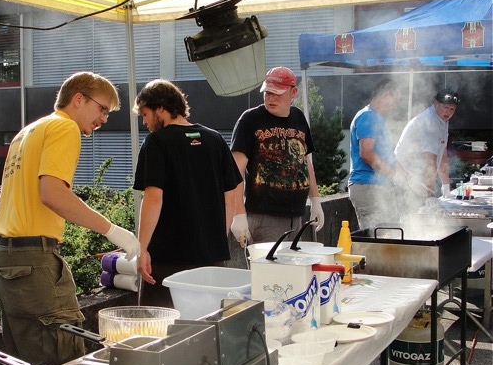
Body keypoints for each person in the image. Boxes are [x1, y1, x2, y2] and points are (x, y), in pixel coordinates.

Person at [0, 71, 140, 365]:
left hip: (4, 256)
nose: (104, 119)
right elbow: (53, 194)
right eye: (102, 109)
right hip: (32, 258)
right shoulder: (64, 126)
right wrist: (113, 230)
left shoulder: (29, 131)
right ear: (78, 99)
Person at [132, 79, 242, 307]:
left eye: (145, 114)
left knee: (161, 323)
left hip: (168, 259)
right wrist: (216, 241)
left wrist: (141, 248)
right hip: (211, 259)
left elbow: (153, 197)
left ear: (160, 107)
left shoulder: (156, 142)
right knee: (208, 321)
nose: (144, 122)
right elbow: (230, 195)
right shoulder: (215, 139)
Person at [229, 67, 324, 246]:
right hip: (264, 216)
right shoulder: (250, 119)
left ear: (293, 92)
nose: (271, 98)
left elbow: (304, 160)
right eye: (267, 93)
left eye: (277, 93)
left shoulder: (298, 117)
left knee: (292, 264)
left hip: (296, 214)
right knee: (270, 264)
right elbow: (234, 171)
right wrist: (238, 213)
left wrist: (315, 199)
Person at [347, 79, 426, 229]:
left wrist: (409, 180)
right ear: (386, 94)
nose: (395, 104)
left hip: (377, 187)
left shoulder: (376, 118)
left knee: (389, 232)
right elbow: (367, 153)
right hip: (369, 186)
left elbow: (390, 158)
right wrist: (395, 176)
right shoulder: (368, 116)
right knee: (379, 235)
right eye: (396, 99)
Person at [395, 89, 459, 216]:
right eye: (445, 107)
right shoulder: (429, 121)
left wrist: (446, 185)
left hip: (420, 180)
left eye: (452, 109)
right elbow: (430, 162)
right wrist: (430, 194)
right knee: (412, 219)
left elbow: (442, 153)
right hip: (408, 179)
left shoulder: (442, 120)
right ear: (435, 103)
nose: (448, 112)